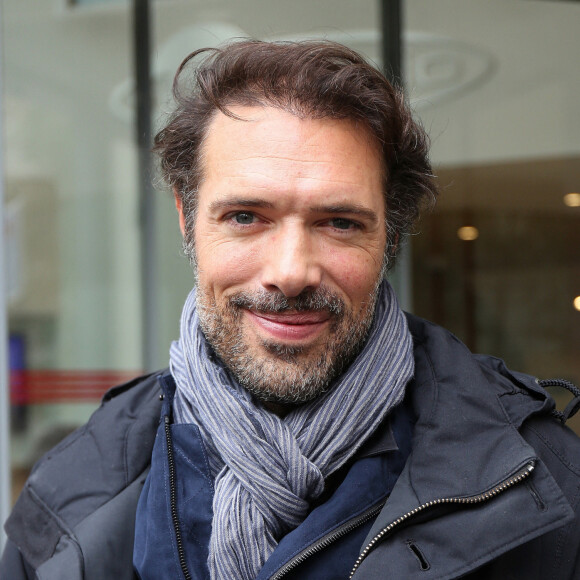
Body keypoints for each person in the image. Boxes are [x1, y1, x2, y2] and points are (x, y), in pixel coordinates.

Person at [2, 39, 580, 580]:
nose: (291, 271)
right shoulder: (71, 493)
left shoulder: (548, 484)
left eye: (339, 222)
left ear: (391, 236)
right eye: (246, 217)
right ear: (187, 218)